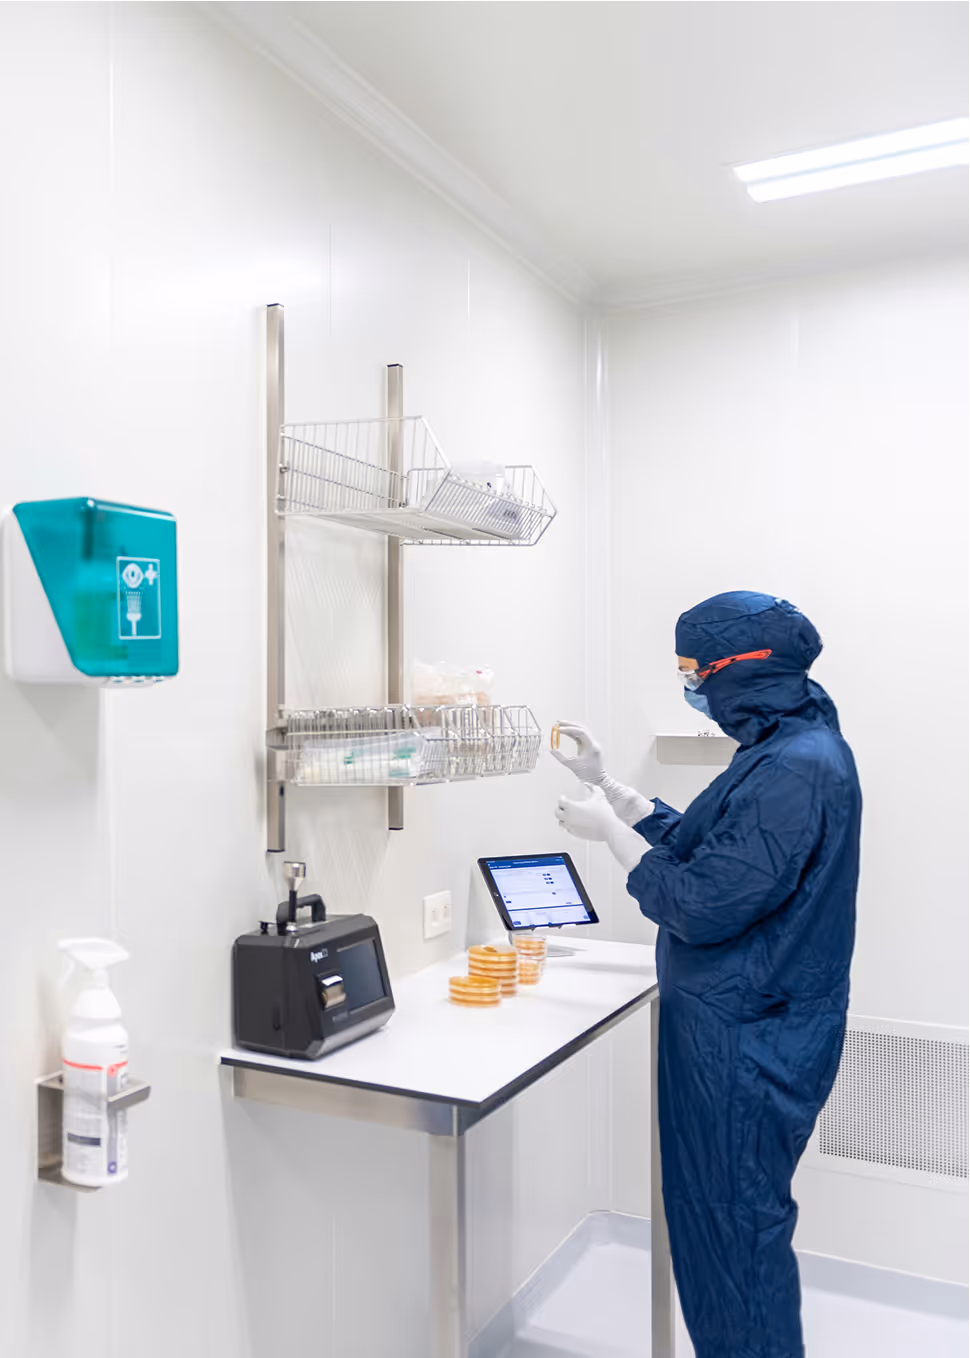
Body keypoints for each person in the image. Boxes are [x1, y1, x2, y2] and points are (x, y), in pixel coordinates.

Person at [553, 591, 861, 1358]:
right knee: (725, 1225)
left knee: (734, 1236)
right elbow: (715, 845)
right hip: (748, 1027)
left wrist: (608, 836)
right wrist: (613, 791)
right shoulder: (790, 741)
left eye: (693, 670)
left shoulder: (797, 767)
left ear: (739, 668)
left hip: (748, 1041)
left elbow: (697, 903)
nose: (689, 685)